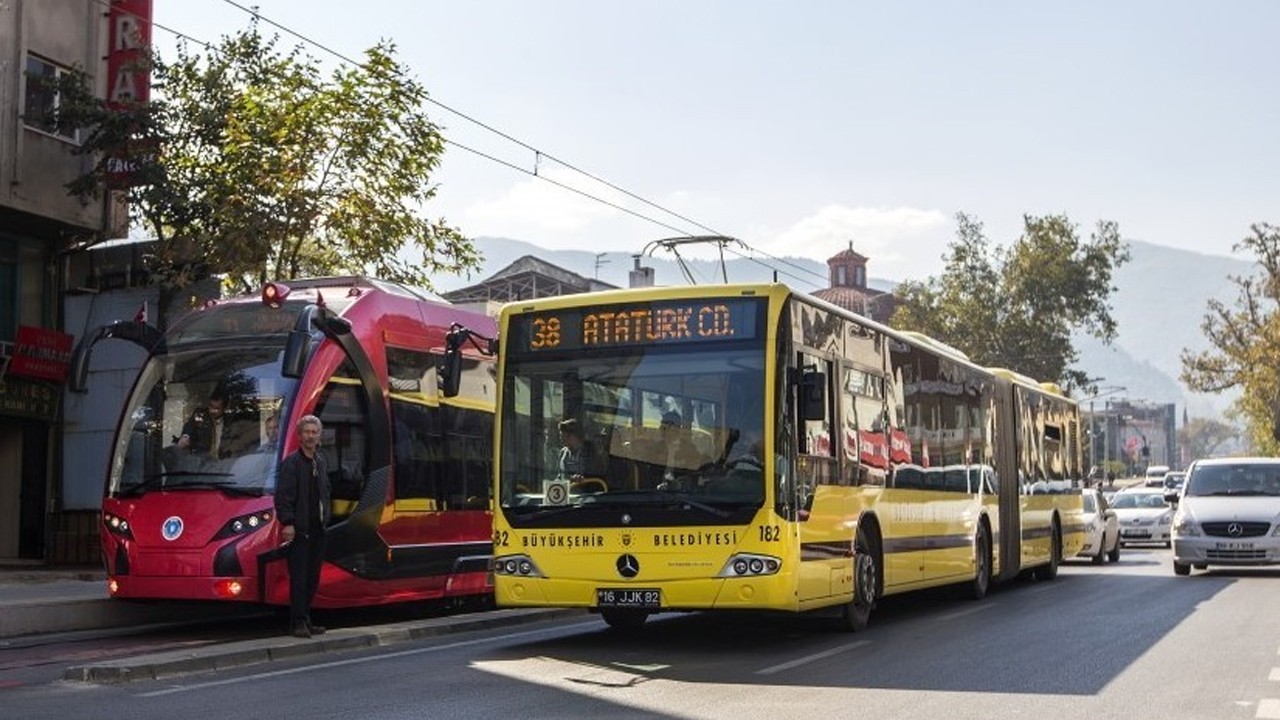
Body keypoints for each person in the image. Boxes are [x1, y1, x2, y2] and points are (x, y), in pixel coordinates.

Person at [274, 414, 331, 639]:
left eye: (314, 432)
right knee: (299, 578)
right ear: (299, 436)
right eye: (306, 432)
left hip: (318, 529)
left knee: (312, 578)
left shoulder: (321, 461)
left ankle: (306, 619)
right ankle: (297, 622)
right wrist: (287, 523)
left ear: (319, 436)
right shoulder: (291, 463)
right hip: (299, 530)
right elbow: (284, 497)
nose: (310, 436)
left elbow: (325, 492)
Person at [177, 389, 253, 460]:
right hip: (202, 463)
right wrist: (185, 436)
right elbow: (189, 426)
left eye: (216, 408)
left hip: (225, 463)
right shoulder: (200, 415)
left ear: (225, 408)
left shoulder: (231, 421)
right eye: (211, 406)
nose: (212, 411)